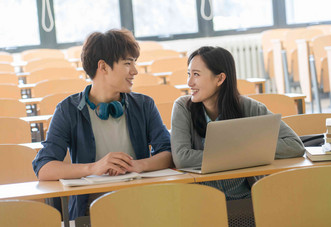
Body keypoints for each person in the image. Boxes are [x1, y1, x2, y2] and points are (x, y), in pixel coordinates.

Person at [32, 29, 172, 220]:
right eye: (127, 63)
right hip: (89, 211)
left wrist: (139, 165)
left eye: (134, 63)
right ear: (103, 67)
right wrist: (94, 168)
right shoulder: (68, 110)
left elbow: (169, 153)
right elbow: (44, 168)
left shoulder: (145, 105)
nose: (135, 71)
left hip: (141, 203)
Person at [170, 46, 305, 225]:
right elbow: (182, 158)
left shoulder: (250, 107)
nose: (189, 83)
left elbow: (294, 145)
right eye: (189, 74)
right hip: (201, 205)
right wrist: (243, 154)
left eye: (196, 74)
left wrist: (238, 153)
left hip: (246, 202)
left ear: (220, 78)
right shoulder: (183, 107)